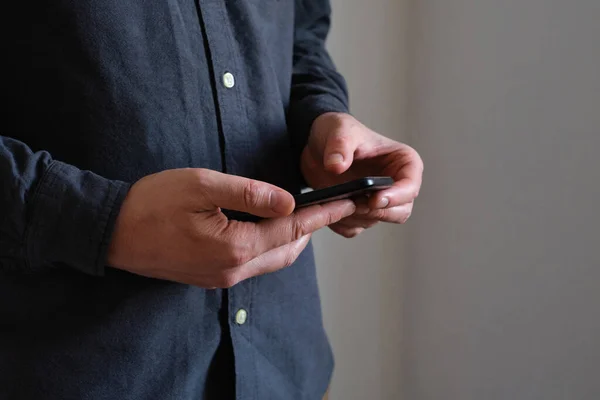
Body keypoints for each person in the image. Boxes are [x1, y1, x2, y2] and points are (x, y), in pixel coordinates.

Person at [0, 1, 423, 399]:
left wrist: (320, 122)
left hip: (287, 368)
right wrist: (103, 222)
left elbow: (301, 36)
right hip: (70, 370)